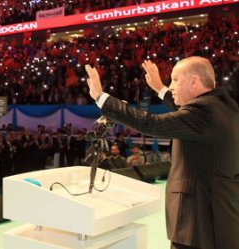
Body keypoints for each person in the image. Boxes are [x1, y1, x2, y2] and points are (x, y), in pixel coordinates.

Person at [85, 57, 239, 249]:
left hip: (198, 226)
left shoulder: (203, 112)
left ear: (194, 81)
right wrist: (160, 88)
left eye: (175, 79)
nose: (171, 85)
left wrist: (101, 97)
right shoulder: (224, 106)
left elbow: (151, 123)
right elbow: (186, 115)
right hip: (218, 219)